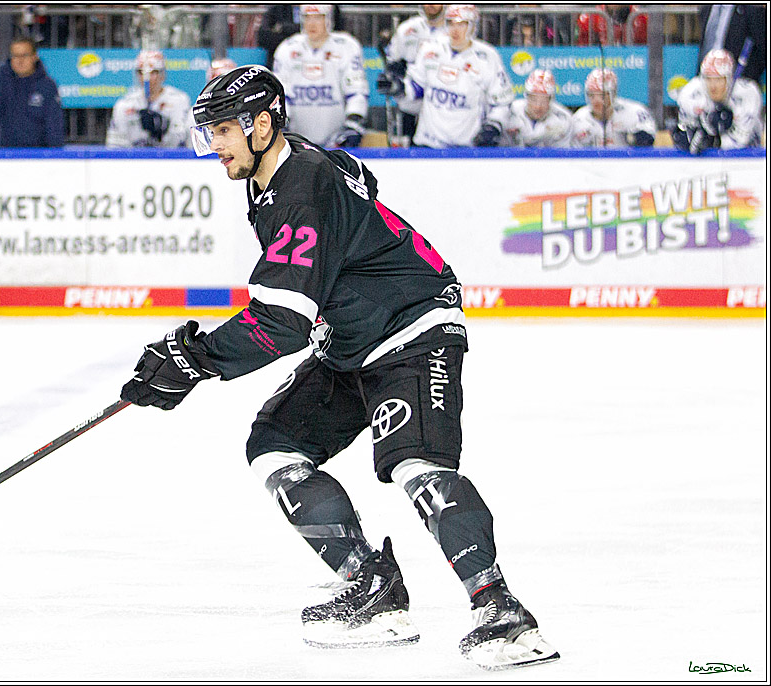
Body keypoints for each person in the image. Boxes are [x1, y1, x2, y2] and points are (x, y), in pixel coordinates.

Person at [120, 64, 560, 669]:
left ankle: (500, 611)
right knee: (275, 445)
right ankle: (370, 586)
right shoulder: (277, 174)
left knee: (416, 466)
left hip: (412, 328)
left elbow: (283, 322)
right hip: (351, 338)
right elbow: (359, 182)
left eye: (222, 130)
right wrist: (193, 360)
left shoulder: (300, 186)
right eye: (210, 132)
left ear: (262, 125)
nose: (213, 145)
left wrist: (193, 359)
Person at [393, 5, 514, 148]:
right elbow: (416, 86)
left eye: (461, 24)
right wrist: (398, 87)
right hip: (428, 145)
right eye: (451, 23)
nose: (455, 30)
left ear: (473, 26)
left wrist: (493, 125)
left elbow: (502, 101)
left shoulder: (487, 57)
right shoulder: (430, 49)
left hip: (466, 148)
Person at [273, 4, 369, 149]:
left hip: (337, 141)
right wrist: (282, 124)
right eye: (307, 18)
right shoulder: (287, 48)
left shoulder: (347, 46)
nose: (311, 24)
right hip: (296, 142)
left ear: (329, 18)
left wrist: (353, 123)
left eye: (318, 17)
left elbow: (357, 90)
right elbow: (281, 94)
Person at [0, 37, 64, 160]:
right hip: (7, 153)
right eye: (15, 56)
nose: (20, 61)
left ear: (35, 57)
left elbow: (54, 123)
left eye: (24, 55)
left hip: (39, 155)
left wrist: (55, 154)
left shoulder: (47, 85)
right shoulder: (2, 79)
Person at [377, 5, 446, 147]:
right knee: (408, 148)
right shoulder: (407, 29)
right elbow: (393, 61)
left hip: (442, 105)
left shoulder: (455, 30)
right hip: (410, 103)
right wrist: (395, 76)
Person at [673, 48, 763, 154]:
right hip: (703, 161)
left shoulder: (746, 94)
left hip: (747, 158)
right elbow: (683, 136)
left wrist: (713, 141)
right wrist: (691, 137)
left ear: (729, 79)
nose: (713, 86)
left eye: (718, 79)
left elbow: (740, 142)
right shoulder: (691, 93)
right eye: (708, 79)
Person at [105, 50, 191, 148]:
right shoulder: (124, 104)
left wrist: (163, 128)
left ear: (162, 74)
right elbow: (114, 144)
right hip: (134, 156)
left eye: (153, 72)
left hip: (167, 155)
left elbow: (183, 140)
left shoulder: (178, 100)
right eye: (141, 72)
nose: (147, 78)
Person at [480, 69, 572, 148]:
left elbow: (563, 156)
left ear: (551, 100)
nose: (538, 106)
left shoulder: (563, 119)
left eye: (544, 101)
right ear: (526, 97)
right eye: (534, 99)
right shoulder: (508, 112)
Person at [570, 68, 655, 148]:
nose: (596, 101)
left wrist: (633, 136)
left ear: (613, 94)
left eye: (602, 95)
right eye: (591, 95)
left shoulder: (635, 113)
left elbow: (648, 142)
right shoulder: (579, 119)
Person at [697, 4, 766, 83]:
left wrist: (747, 79)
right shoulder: (706, 8)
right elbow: (704, 45)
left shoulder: (751, 9)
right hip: (707, 80)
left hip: (739, 81)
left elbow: (762, 47)